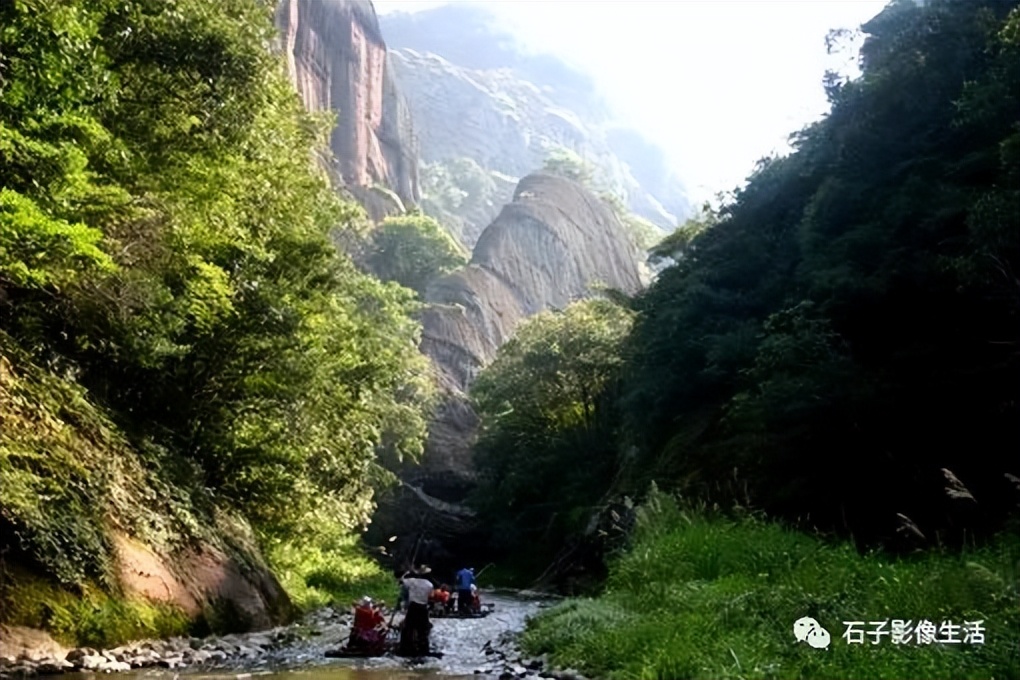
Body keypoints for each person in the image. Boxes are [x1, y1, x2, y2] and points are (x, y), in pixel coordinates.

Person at [399, 567, 434, 656]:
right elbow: (431, 597)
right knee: (423, 629)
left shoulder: (411, 581)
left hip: (413, 607)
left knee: (408, 627)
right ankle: (424, 648)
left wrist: (406, 573)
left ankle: (405, 648)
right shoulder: (429, 584)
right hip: (423, 608)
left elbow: (401, 581)